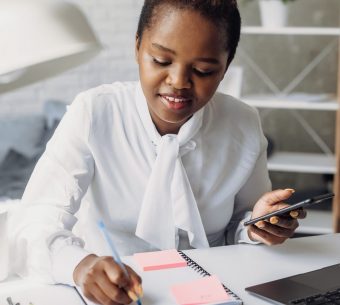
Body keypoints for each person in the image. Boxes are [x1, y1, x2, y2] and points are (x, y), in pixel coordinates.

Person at [10, 1, 306, 304]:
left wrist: (259, 227)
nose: (178, 82)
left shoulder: (242, 123)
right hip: (116, 293)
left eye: (203, 70)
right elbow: (33, 226)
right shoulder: (94, 113)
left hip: (216, 290)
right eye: (161, 60)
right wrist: (80, 266)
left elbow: (241, 226)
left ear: (226, 65)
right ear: (138, 48)